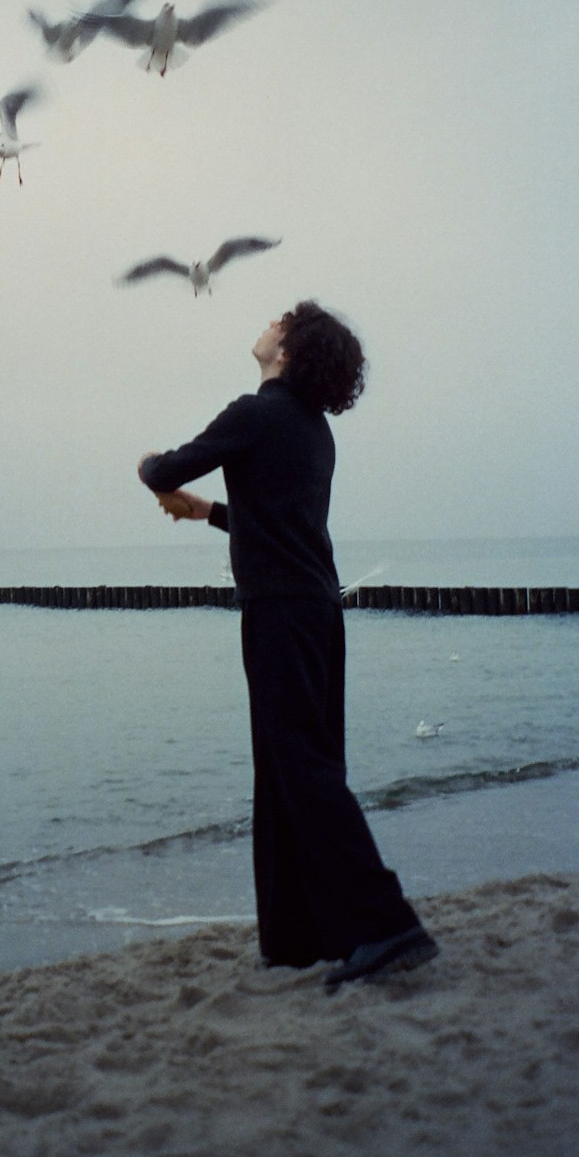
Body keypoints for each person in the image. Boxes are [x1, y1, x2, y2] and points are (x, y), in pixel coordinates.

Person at [138, 301, 438, 991]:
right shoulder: (312, 432)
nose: (267, 322)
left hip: (280, 613)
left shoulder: (254, 412)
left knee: (299, 768)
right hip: (315, 611)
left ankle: (388, 925)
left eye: (279, 320)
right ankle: (296, 939)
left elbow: (166, 468)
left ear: (289, 352)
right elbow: (272, 521)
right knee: (287, 770)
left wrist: (149, 465)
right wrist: (208, 511)